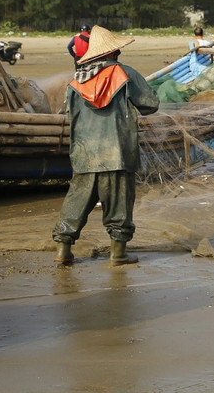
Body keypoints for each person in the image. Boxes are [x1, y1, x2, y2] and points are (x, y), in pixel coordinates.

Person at [53, 26, 159, 267]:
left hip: (84, 154)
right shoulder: (125, 74)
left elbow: (70, 113)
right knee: (119, 204)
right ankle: (118, 254)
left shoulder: (74, 82)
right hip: (117, 152)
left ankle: (63, 250)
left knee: (77, 200)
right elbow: (150, 104)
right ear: (113, 51)